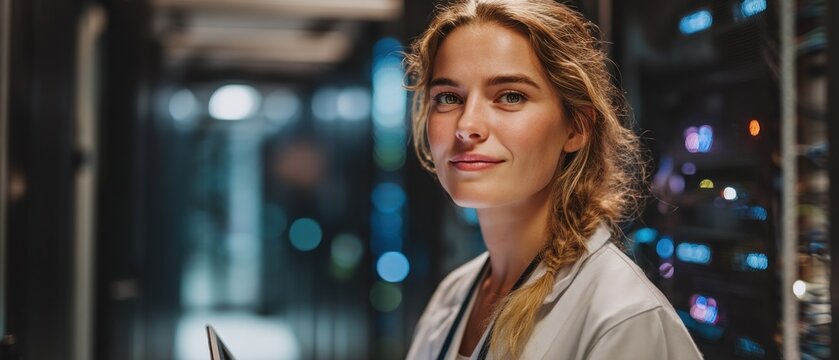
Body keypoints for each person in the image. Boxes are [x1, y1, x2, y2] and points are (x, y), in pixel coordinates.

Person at [403, 0, 704, 359]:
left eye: (510, 96)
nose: (467, 126)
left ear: (576, 127)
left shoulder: (623, 319)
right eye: (448, 97)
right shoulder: (451, 298)